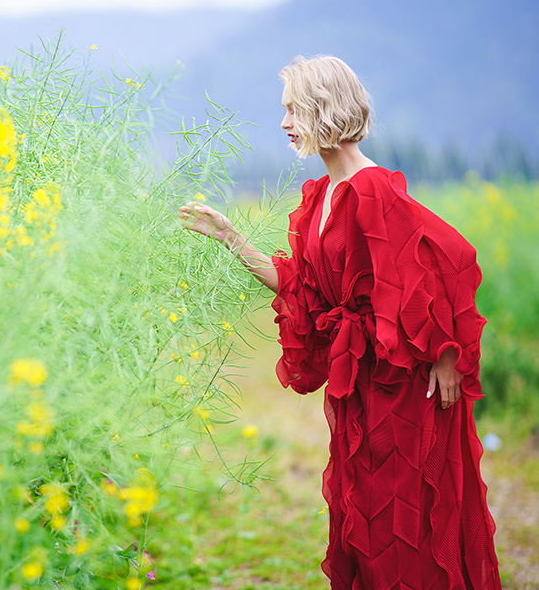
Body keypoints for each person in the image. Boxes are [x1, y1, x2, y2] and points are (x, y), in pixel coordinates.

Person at [179, 55, 502, 589]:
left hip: (402, 388)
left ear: (323, 108)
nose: (284, 123)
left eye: (292, 110)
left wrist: (447, 354)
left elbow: (448, 258)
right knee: (363, 522)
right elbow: (300, 288)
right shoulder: (325, 195)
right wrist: (231, 239)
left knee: (401, 526)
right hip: (360, 384)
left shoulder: (372, 188)